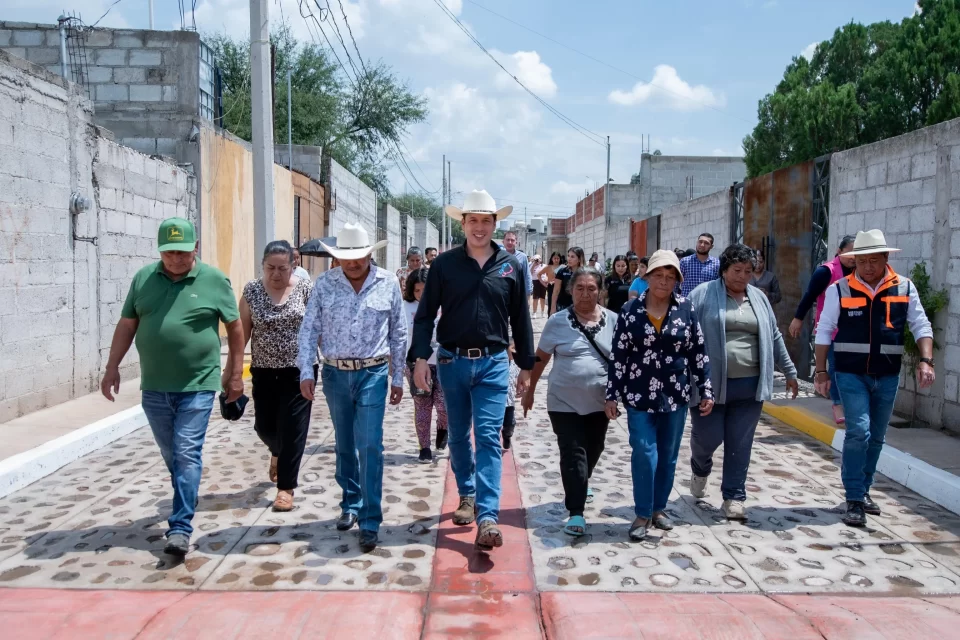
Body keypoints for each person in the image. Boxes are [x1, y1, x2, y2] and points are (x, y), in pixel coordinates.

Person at [100, 217, 243, 557]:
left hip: (198, 384)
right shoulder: (144, 279)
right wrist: (111, 367)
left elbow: (235, 328)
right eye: (168, 253)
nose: (175, 260)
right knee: (173, 455)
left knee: (185, 451)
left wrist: (234, 372)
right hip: (155, 387)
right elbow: (127, 324)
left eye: (182, 252)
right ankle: (186, 492)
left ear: (195, 247)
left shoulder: (213, 280)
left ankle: (180, 527)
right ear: (159, 251)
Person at [412, 189, 534, 551]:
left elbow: (521, 319)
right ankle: (467, 492)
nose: (480, 227)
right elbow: (424, 315)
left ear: (496, 224)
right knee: (459, 434)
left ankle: (488, 517)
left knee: (488, 437)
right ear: (462, 223)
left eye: (487, 221)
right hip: (451, 362)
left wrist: (526, 366)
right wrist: (420, 357)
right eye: (473, 220)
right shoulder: (444, 266)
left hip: (495, 364)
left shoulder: (510, 265)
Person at [296, 222, 407, 553]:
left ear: (370, 254)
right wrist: (306, 370)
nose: (354, 263)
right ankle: (351, 503)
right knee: (345, 444)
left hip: (372, 373)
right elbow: (308, 329)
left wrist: (397, 375)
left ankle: (371, 520)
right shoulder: (324, 285)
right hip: (335, 375)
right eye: (347, 258)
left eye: (359, 257)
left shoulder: (388, 283)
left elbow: (399, 332)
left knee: (370, 445)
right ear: (337, 257)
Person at [814, 229, 934, 528]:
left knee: (877, 437)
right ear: (854, 261)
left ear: (885, 259)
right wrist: (820, 370)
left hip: (887, 375)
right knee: (860, 433)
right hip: (850, 374)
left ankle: (864, 490)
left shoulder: (904, 287)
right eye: (862, 260)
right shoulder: (839, 289)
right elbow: (825, 330)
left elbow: (921, 325)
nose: (868, 267)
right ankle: (854, 497)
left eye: (874, 260)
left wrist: (926, 360)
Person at [605, 250, 714, 541]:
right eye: (658, 275)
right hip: (638, 395)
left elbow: (698, 353)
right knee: (644, 451)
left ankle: (659, 509)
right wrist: (612, 394)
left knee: (668, 455)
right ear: (647, 277)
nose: (663, 281)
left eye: (670, 277)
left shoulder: (686, 309)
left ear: (677, 280)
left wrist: (706, 389)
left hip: (675, 395)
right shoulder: (630, 310)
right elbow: (618, 356)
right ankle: (642, 513)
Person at [688, 244, 799, 520]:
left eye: (748, 271)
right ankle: (700, 468)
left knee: (740, 442)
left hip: (749, 386)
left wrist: (790, 371)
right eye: (737, 270)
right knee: (707, 438)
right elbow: (685, 333)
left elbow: (774, 336)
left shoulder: (759, 298)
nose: (742, 276)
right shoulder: (702, 295)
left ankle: (734, 497)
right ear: (724, 270)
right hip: (709, 386)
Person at [522, 267, 616, 536]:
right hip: (563, 401)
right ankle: (576, 512)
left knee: (594, 448)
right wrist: (530, 390)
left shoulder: (614, 321)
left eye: (591, 289)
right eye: (579, 288)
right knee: (573, 452)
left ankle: (580, 484)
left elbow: (623, 362)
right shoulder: (557, 321)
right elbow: (541, 359)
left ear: (600, 291)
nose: (585, 294)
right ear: (570, 291)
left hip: (600, 403)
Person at [240, 240, 315, 512]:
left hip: (299, 372)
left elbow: (317, 328)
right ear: (263, 265)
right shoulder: (252, 291)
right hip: (263, 370)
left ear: (293, 266)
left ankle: (285, 489)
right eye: (270, 267)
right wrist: (233, 371)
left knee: (294, 429)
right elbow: (242, 334)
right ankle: (275, 452)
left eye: (282, 268)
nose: (276, 274)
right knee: (265, 427)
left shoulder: (306, 289)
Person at [788, 235, 857, 424]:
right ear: (839, 251)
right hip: (832, 329)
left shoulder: (861, 272)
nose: (853, 256)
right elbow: (809, 296)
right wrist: (798, 319)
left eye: (856, 253)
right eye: (849, 251)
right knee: (835, 367)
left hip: (854, 330)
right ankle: (837, 404)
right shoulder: (826, 272)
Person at [403, 267, 448, 462]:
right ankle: (425, 447)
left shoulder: (445, 303)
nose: (421, 295)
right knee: (422, 405)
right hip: (417, 364)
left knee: (444, 405)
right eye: (417, 291)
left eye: (425, 290)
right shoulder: (405, 307)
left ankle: (443, 428)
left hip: (444, 362)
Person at [678, 233, 720, 297]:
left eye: (706, 243)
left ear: (711, 246)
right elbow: (675, 283)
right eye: (700, 242)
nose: (702, 245)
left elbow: (719, 286)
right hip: (687, 303)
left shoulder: (717, 264)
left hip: (707, 304)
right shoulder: (684, 262)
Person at [503, 230, 534, 306]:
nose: (510, 242)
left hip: (518, 292)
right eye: (507, 240)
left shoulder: (522, 257)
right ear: (503, 241)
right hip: (502, 292)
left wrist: (528, 295)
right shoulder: (498, 256)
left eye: (512, 240)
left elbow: (527, 275)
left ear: (516, 242)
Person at [551, 247, 585, 314]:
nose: (569, 259)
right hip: (563, 307)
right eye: (568, 256)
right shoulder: (562, 271)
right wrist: (553, 308)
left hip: (580, 306)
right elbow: (556, 291)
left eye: (572, 257)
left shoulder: (585, 272)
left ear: (579, 259)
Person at [542, 251, 564, 316]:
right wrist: (544, 283)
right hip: (551, 287)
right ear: (552, 259)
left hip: (561, 287)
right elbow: (539, 274)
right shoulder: (548, 267)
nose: (556, 260)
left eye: (558, 258)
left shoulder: (563, 267)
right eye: (555, 258)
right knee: (551, 303)